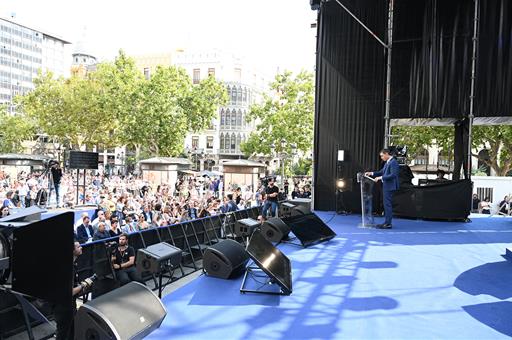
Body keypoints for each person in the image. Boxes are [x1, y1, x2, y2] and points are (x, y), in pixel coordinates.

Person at [53, 241, 91, 340]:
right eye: (78, 247)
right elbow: (70, 292)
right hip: (63, 308)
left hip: (69, 305)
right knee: (63, 334)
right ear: (72, 250)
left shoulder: (72, 264)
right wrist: (84, 284)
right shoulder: (67, 268)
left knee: (71, 331)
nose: (81, 247)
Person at [365, 148, 399, 229]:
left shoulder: (393, 162)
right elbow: (381, 171)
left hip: (390, 186)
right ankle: (387, 222)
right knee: (386, 204)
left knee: (387, 205)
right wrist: (371, 173)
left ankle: (388, 223)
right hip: (387, 186)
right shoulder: (388, 162)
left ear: (387, 154)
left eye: (382, 156)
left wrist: (380, 178)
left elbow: (393, 175)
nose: (381, 158)